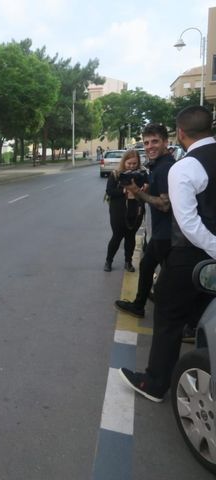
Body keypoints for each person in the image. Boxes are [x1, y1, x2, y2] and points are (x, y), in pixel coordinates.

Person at [120, 106, 216, 402]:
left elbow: (187, 223)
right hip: (200, 252)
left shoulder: (184, 167)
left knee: (167, 311)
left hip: (194, 254)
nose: (149, 147)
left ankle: (155, 382)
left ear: (179, 134)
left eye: (154, 141)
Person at [115, 123, 174, 317]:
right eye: (146, 142)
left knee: (148, 265)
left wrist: (138, 192)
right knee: (155, 267)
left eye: (155, 141)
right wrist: (136, 191)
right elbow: (151, 199)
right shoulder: (158, 166)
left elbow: (165, 204)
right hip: (159, 230)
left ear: (166, 142)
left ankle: (139, 305)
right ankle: (152, 298)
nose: (150, 146)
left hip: (165, 232)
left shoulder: (165, 168)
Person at [103, 150, 145, 272]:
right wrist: (124, 191)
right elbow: (109, 191)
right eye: (129, 163)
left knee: (131, 237)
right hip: (118, 211)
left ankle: (128, 262)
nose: (132, 166)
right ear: (124, 162)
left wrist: (144, 187)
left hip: (135, 209)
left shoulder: (141, 173)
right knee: (117, 236)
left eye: (134, 163)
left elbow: (147, 188)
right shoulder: (116, 174)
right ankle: (108, 261)